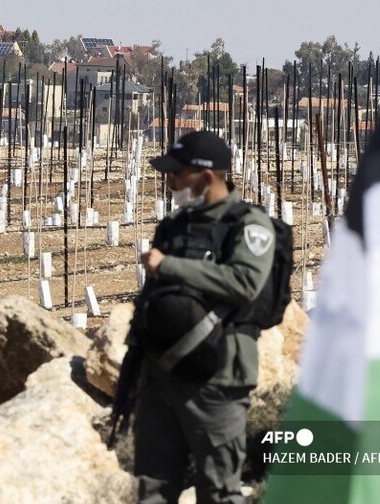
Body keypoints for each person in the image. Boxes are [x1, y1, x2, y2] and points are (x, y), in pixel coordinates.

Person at [130, 131, 276, 503]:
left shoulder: (250, 225)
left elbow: (245, 282)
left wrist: (172, 266)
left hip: (217, 378)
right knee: (153, 489)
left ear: (207, 177)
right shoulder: (175, 225)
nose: (170, 181)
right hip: (161, 375)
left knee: (218, 490)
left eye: (179, 174)